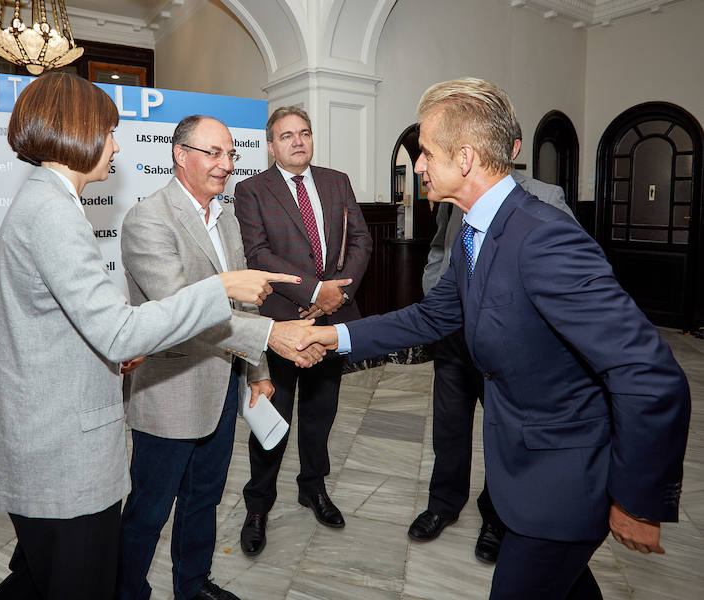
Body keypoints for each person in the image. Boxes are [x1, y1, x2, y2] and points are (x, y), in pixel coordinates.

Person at [297, 77, 690, 599]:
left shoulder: (544, 237)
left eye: (425, 153)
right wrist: (334, 339)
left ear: (464, 157)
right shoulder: (472, 229)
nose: (418, 166)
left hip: (564, 481)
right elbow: (431, 317)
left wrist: (638, 500)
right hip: (525, 472)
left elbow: (649, 374)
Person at [0, 75, 299, 600]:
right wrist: (221, 290)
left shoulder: (50, 202)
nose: (116, 144)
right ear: (76, 131)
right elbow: (121, 330)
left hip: (79, 426)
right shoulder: (55, 212)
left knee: (37, 579)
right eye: (108, 130)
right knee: (80, 572)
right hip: (60, 445)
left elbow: (85, 325)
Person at [117, 115, 324, 600]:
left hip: (222, 387)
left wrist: (257, 370)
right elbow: (180, 311)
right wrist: (271, 336)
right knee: (149, 510)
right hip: (169, 393)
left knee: (203, 500)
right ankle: (126, 591)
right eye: (213, 153)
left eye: (231, 154)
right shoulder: (149, 218)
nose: (226, 165)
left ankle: (192, 586)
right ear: (179, 154)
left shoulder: (226, 217)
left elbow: (243, 303)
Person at [410, 120, 574, 564]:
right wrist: (436, 296)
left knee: (501, 433)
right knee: (448, 426)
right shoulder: (453, 196)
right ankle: (443, 504)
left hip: (504, 346)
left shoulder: (544, 198)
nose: (422, 164)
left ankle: (496, 517)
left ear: (512, 147)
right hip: (453, 339)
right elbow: (442, 253)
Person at [233, 106, 372, 556]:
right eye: (286, 136)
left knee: (321, 411)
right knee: (274, 417)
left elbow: (361, 242)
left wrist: (339, 295)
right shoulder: (251, 190)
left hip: (333, 322)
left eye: (305, 133)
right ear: (270, 145)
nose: (298, 141)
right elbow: (257, 253)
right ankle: (258, 504)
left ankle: (313, 487)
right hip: (280, 323)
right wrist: (315, 291)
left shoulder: (337, 181)